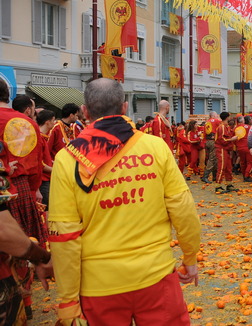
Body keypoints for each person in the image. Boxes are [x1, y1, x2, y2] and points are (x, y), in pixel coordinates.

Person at [48, 78, 201, 324]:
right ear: (124, 107)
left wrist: (68, 299)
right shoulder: (155, 147)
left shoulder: (67, 159)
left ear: (85, 111)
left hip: (99, 284)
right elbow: (183, 208)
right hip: (156, 274)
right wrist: (190, 257)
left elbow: (64, 235)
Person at [0, 81, 48, 318]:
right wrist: (34, 188)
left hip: (9, 186)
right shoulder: (25, 122)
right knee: (24, 242)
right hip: (20, 187)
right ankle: (25, 304)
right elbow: (36, 162)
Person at [36, 109, 56, 209]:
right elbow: (40, 163)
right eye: (53, 120)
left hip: (46, 178)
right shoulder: (39, 138)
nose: (54, 123)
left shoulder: (42, 137)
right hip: (43, 180)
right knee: (46, 208)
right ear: (47, 122)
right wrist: (55, 169)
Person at [214, 112, 238, 193]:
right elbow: (222, 139)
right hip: (221, 149)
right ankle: (218, 186)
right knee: (222, 167)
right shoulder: (222, 127)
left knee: (228, 167)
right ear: (227, 117)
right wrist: (232, 139)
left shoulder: (226, 126)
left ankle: (229, 184)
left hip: (226, 149)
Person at [201, 111, 220, 183]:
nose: (217, 117)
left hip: (207, 141)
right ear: (214, 115)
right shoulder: (216, 121)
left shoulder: (207, 122)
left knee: (215, 158)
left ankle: (215, 176)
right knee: (212, 159)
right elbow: (223, 124)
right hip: (213, 141)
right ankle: (205, 176)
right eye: (216, 115)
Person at [235, 115, 252, 183]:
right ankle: (246, 176)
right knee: (250, 162)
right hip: (247, 147)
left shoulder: (236, 128)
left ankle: (244, 175)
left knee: (243, 162)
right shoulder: (248, 127)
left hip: (239, 147)